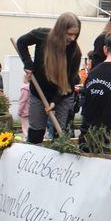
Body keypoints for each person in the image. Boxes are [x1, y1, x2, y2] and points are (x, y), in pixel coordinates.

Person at [17, 13, 82, 144]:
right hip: (38, 91)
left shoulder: (75, 52)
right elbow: (21, 42)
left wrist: (55, 101)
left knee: (60, 134)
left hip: (63, 93)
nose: (72, 38)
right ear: (60, 30)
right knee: (36, 132)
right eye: (69, 34)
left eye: (75, 34)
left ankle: (59, 154)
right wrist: (28, 63)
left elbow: (68, 81)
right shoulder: (41, 35)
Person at [18, 74, 30, 140]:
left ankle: (27, 139)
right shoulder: (33, 87)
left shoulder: (25, 88)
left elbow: (22, 101)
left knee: (25, 127)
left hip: (25, 111)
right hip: (33, 110)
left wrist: (19, 111)